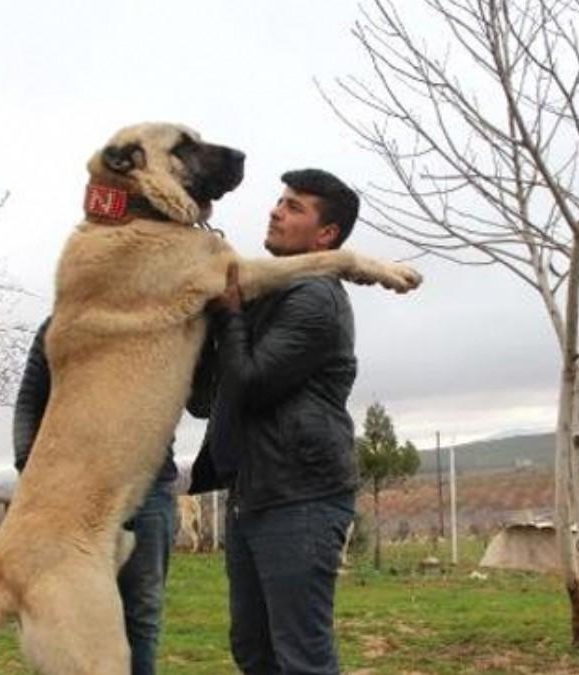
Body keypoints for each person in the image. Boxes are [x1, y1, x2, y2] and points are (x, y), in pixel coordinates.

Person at [188, 168, 360, 674]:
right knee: (255, 651)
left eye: (294, 207)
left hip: (301, 496)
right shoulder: (268, 297)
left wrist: (230, 315)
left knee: (301, 657)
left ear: (326, 235)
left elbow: (252, 384)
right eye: (279, 200)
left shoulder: (317, 298)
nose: (275, 210)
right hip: (254, 493)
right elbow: (205, 401)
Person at [13, 317, 178, 675]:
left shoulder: (159, 321)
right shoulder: (59, 326)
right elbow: (28, 403)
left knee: (140, 617)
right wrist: (30, 468)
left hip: (145, 494)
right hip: (69, 497)